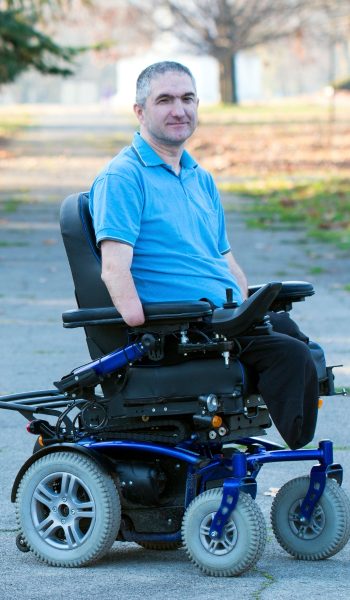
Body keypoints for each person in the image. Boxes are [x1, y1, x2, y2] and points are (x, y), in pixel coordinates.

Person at [89, 61, 319, 450]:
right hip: (178, 328)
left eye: (187, 98)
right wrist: (141, 334)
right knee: (290, 356)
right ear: (140, 111)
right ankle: (301, 451)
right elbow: (114, 271)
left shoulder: (200, 177)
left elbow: (224, 259)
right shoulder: (123, 177)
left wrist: (248, 310)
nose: (179, 109)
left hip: (220, 319)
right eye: (165, 100)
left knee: (294, 336)